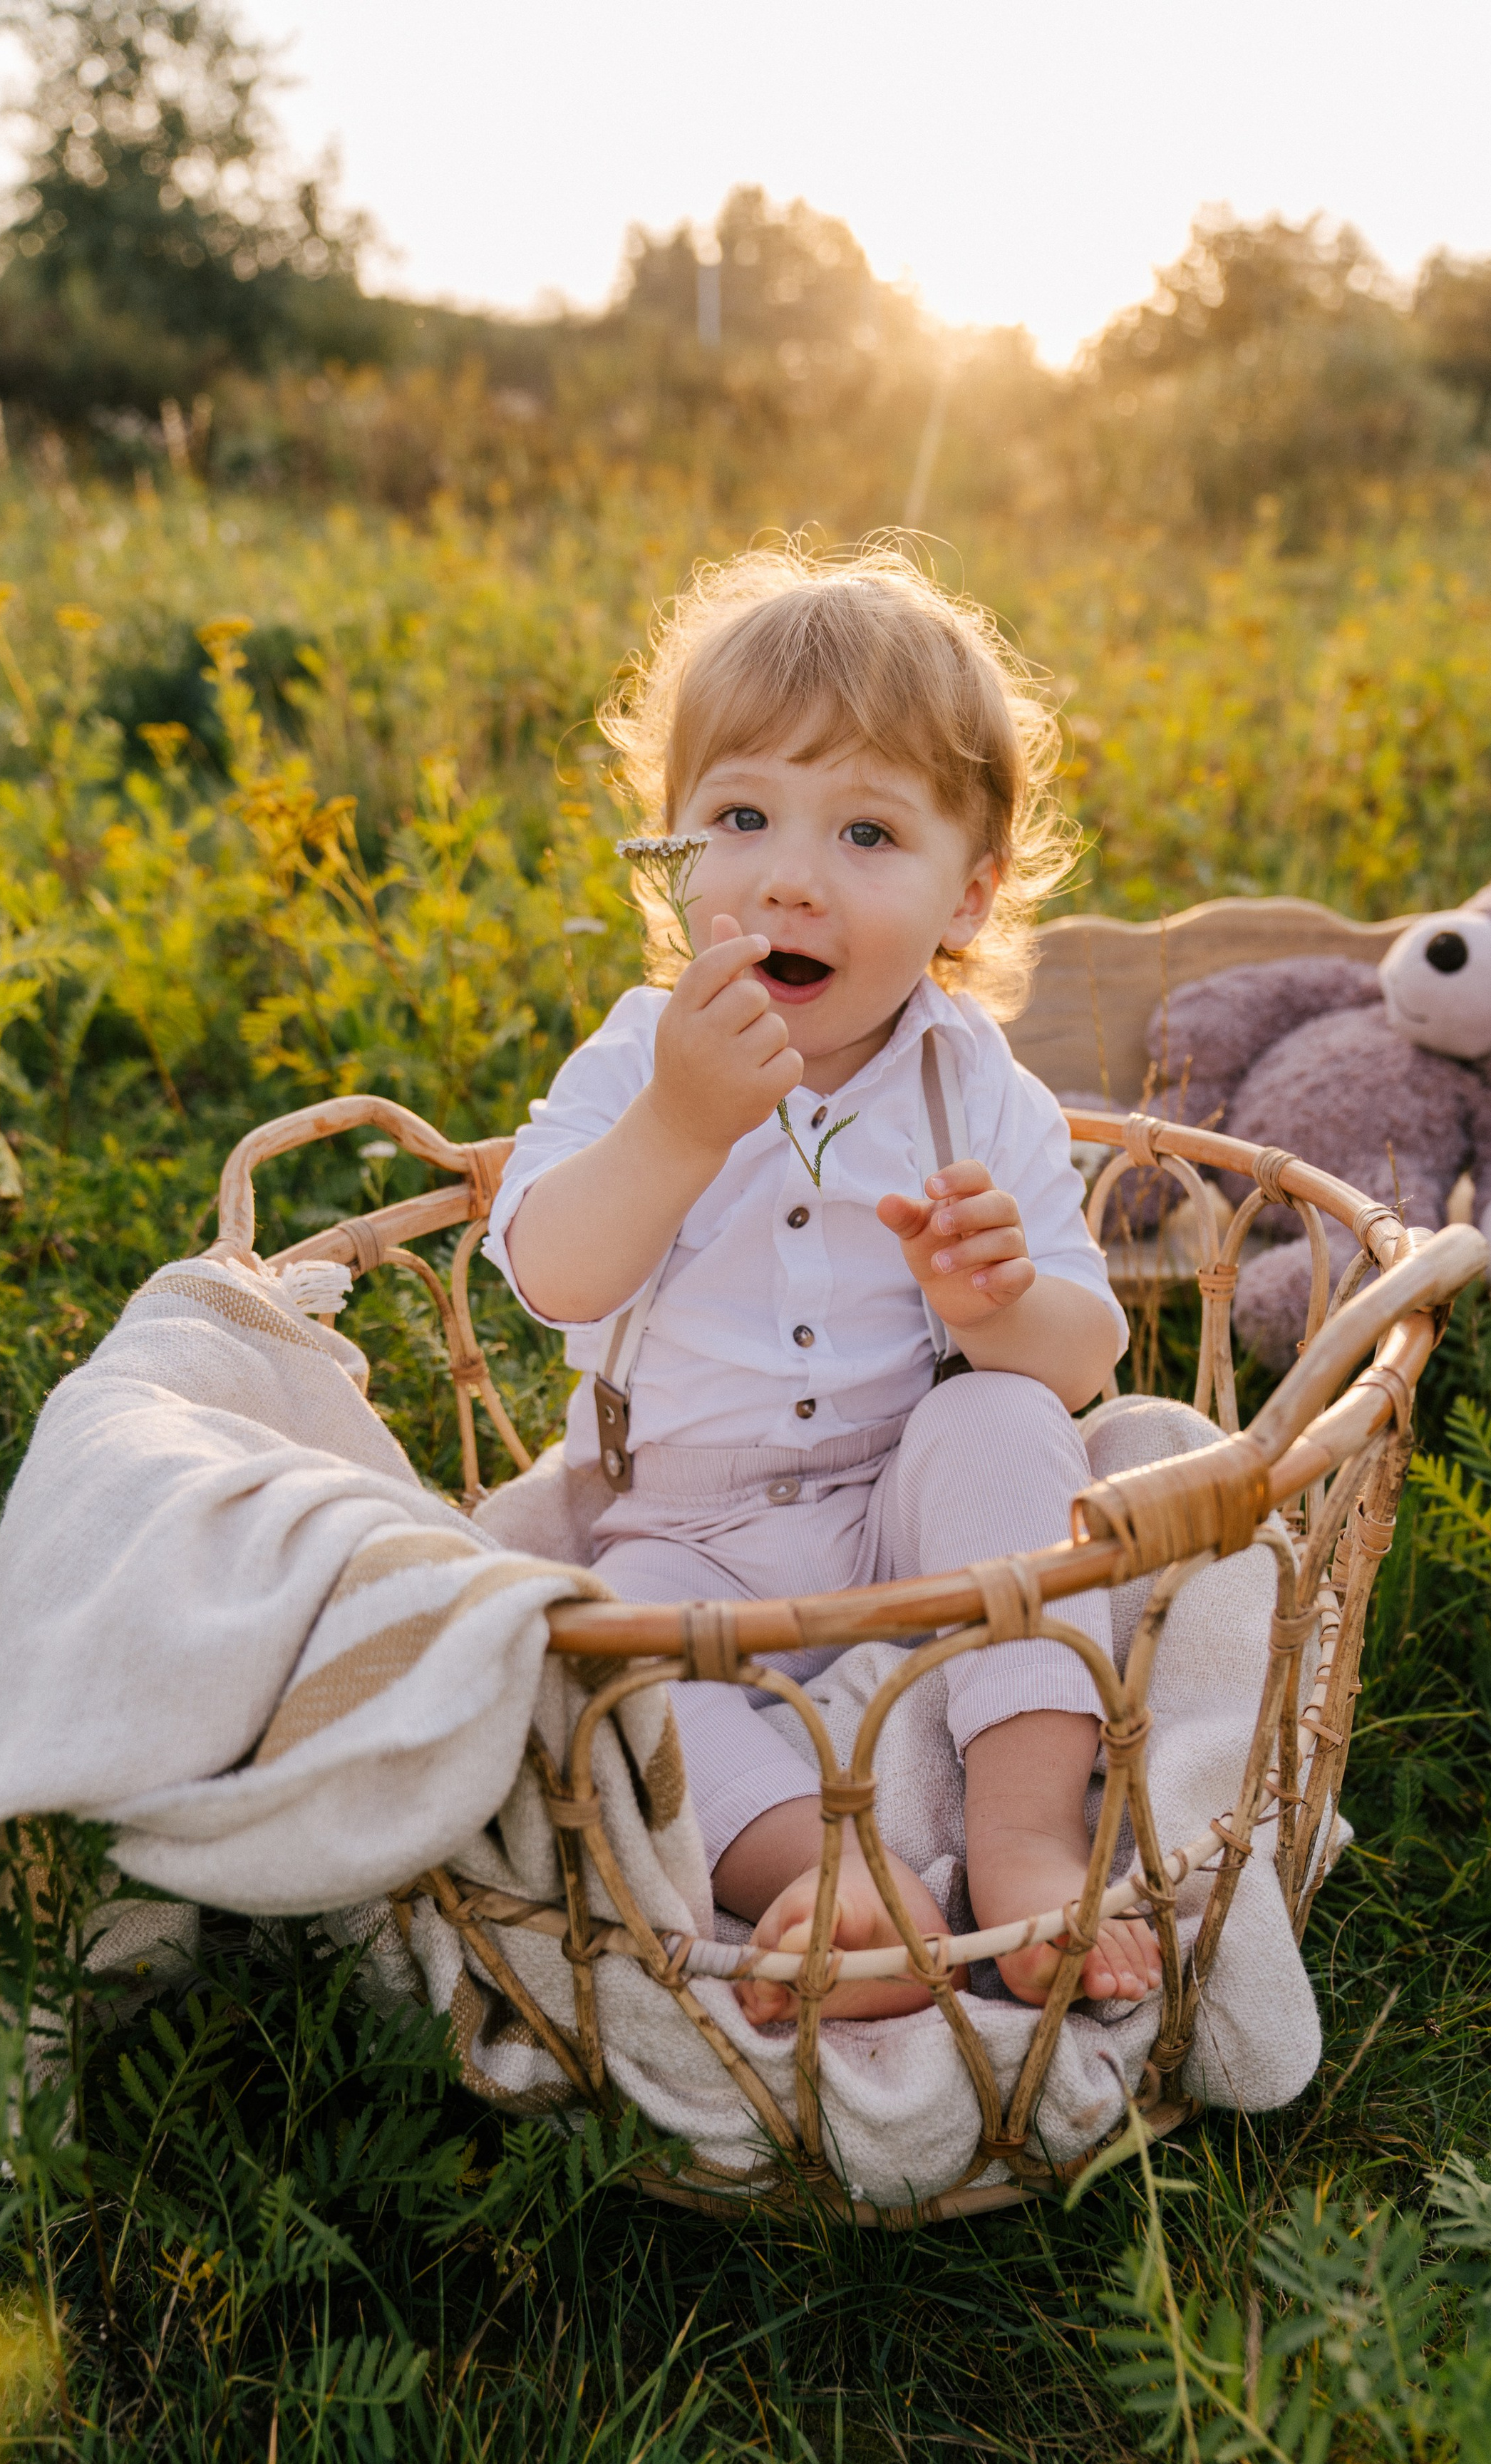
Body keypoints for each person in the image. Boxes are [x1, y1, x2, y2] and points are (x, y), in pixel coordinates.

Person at [487, 542, 1159, 2021]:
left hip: (898, 1509)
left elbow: (1081, 1363)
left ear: (967, 898)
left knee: (1004, 1436)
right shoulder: (637, 1056)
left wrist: (994, 1310)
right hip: (687, 1534)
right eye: (740, 816)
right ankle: (837, 1877)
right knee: (591, 1653)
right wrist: (674, 1127)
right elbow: (545, 1272)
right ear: (671, 855)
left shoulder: (971, 1083)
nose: (790, 874)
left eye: (866, 834)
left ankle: (1026, 1842)